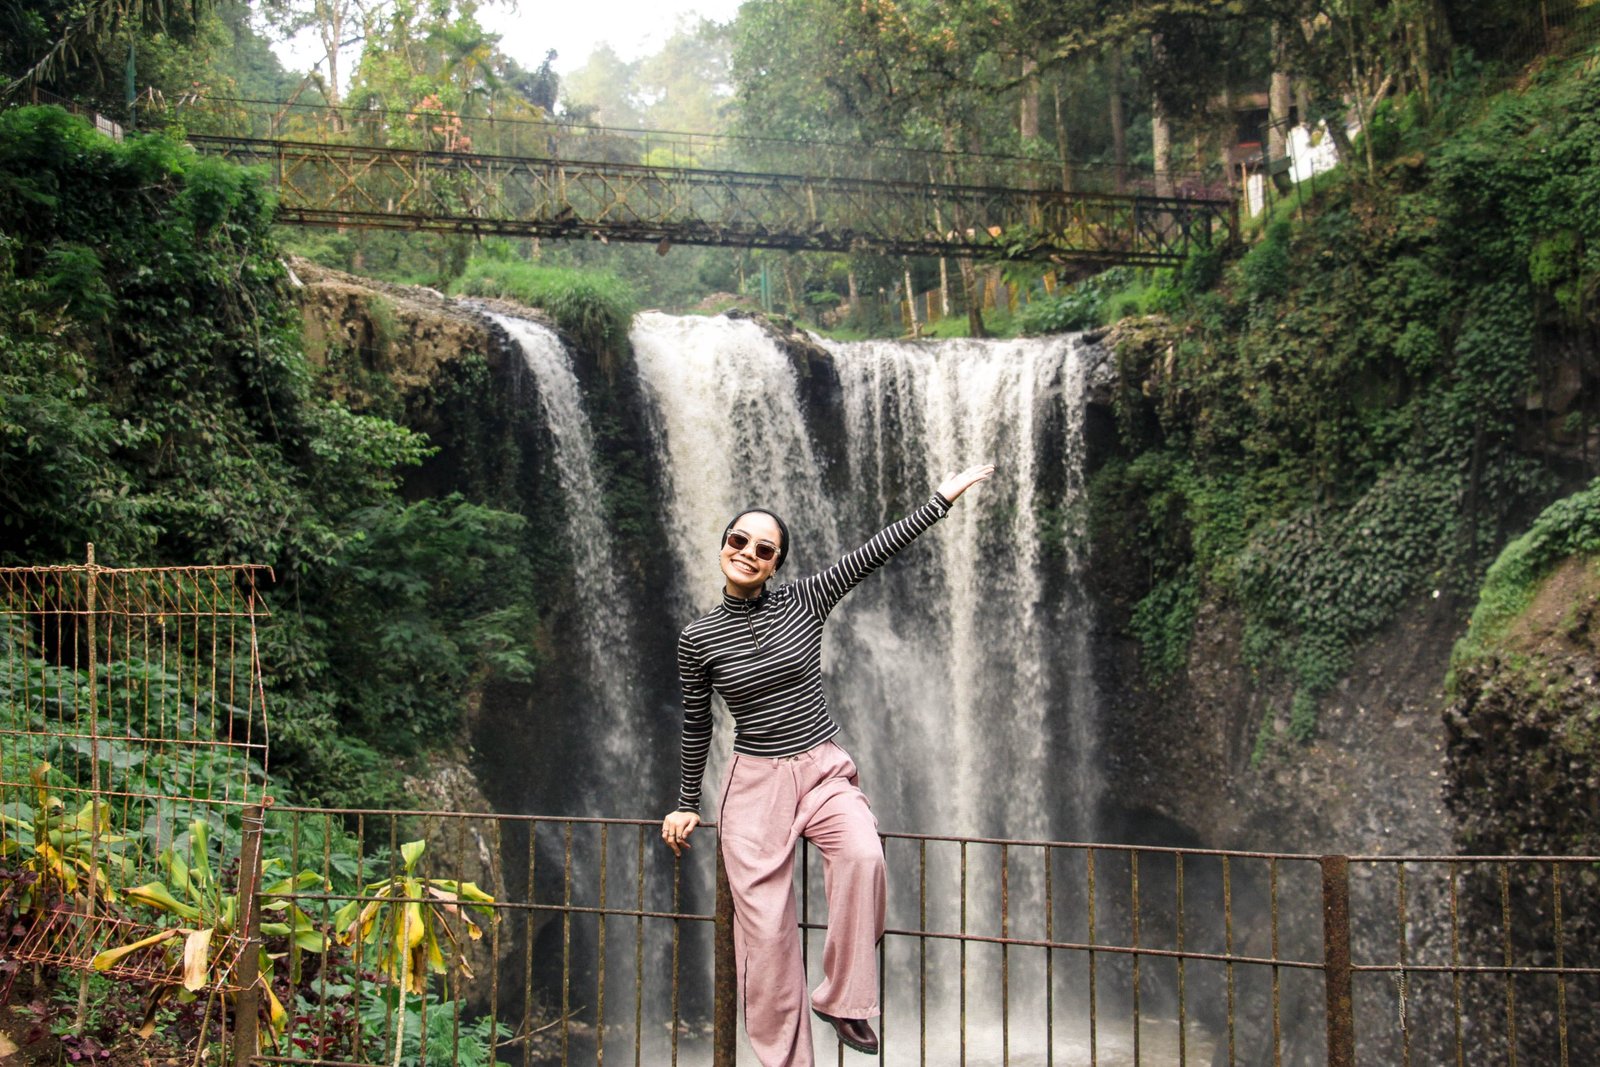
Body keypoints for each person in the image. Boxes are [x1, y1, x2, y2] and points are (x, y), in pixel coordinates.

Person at [661, 464, 995, 1065]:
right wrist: (687, 802)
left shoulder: (806, 599)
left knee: (865, 857)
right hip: (754, 785)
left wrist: (940, 498)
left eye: (764, 549)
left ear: (776, 562)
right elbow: (696, 724)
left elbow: (876, 550)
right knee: (764, 940)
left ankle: (843, 998)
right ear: (722, 547)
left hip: (821, 768)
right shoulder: (698, 638)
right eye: (739, 541)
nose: (748, 553)